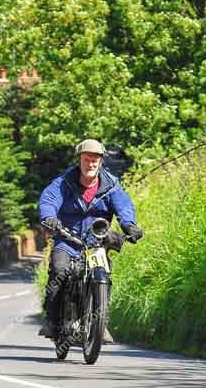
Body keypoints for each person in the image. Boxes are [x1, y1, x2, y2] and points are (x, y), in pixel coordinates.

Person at [37, 139, 143, 343]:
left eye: (95, 160)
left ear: (101, 162)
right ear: (79, 160)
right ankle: (51, 320)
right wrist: (49, 217)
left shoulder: (111, 186)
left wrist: (129, 225)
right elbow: (48, 200)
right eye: (87, 160)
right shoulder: (63, 183)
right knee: (59, 270)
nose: (91, 164)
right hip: (68, 239)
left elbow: (124, 206)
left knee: (103, 272)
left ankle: (100, 324)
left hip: (96, 242)